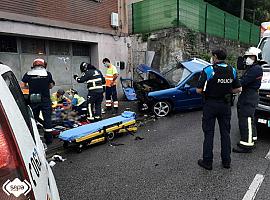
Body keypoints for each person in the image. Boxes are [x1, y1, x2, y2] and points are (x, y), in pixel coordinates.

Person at [196, 49, 242, 170]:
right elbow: (238, 89)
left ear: (215, 57)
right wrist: (227, 91)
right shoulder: (232, 70)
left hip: (210, 105)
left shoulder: (209, 70)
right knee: (225, 134)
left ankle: (207, 162)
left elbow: (199, 90)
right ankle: (226, 162)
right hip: (225, 105)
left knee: (209, 133)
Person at [233, 47, 263, 153]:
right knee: (250, 119)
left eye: (250, 57)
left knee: (246, 119)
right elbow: (241, 67)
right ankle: (252, 139)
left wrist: (233, 84)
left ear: (256, 58)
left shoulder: (256, 69)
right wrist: (241, 59)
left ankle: (246, 144)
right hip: (250, 95)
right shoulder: (253, 67)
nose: (248, 59)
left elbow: (243, 81)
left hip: (249, 96)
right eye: (247, 57)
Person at [21, 58, 55, 144]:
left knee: (33, 119)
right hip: (45, 99)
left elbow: (23, 85)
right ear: (43, 65)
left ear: (34, 65)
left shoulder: (28, 74)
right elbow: (50, 86)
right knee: (47, 119)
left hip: (33, 99)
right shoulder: (47, 74)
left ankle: (33, 139)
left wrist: (32, 87)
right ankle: (49, 140)